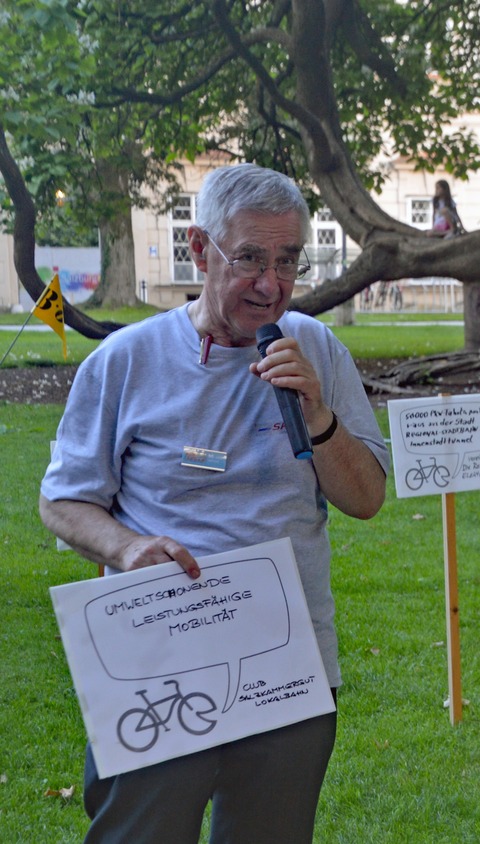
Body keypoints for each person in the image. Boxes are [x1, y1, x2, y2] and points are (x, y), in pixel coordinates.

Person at [40, 163, 390, 844]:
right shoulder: (125, 361)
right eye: (251, 258)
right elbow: (63, 501)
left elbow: (366, 498)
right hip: (158, 663)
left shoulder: (316, 349)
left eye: (289, 261)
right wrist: (125, 547)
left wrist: (317, 414)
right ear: (200, 250)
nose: (272, 283)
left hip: (287, 662)